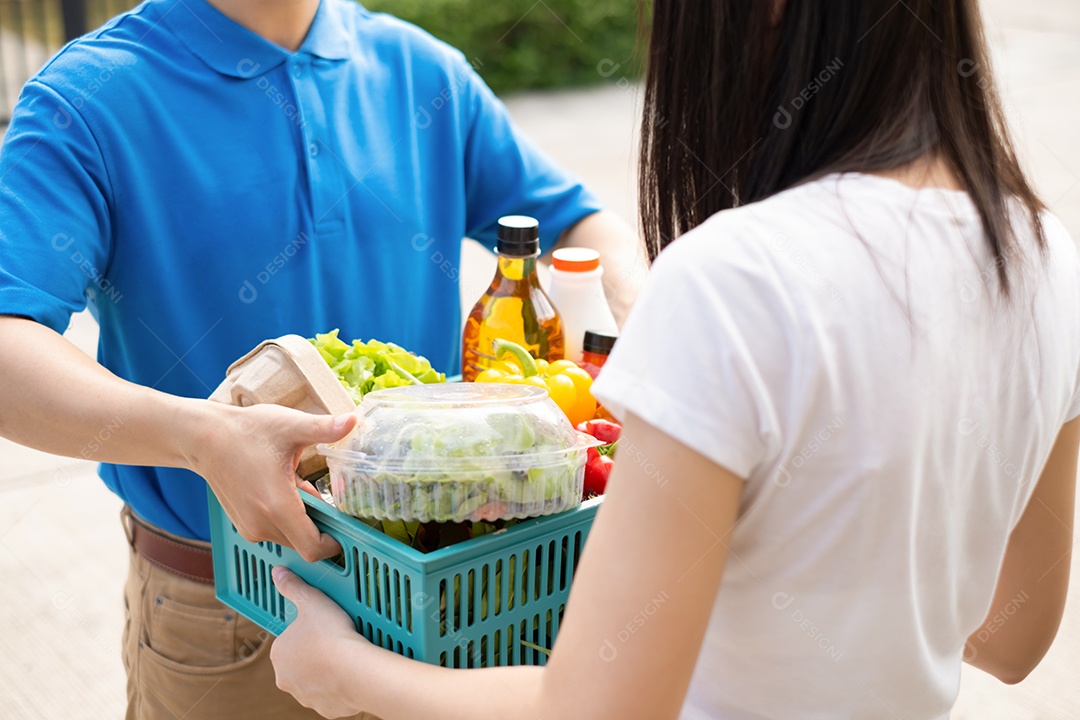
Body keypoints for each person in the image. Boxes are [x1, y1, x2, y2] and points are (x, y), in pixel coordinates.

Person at [267, 0, 1080, 718]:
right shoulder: (1047, 255)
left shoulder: (737, 277)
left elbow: (600, 708)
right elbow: (1014, 640)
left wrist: (346, 672)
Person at [0, 0, 641, 717]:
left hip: (442, 601)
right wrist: (201, 438)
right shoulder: (89, 98)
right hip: (231, 612)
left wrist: (642, 309)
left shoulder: (419, 71)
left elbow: (578, 221)